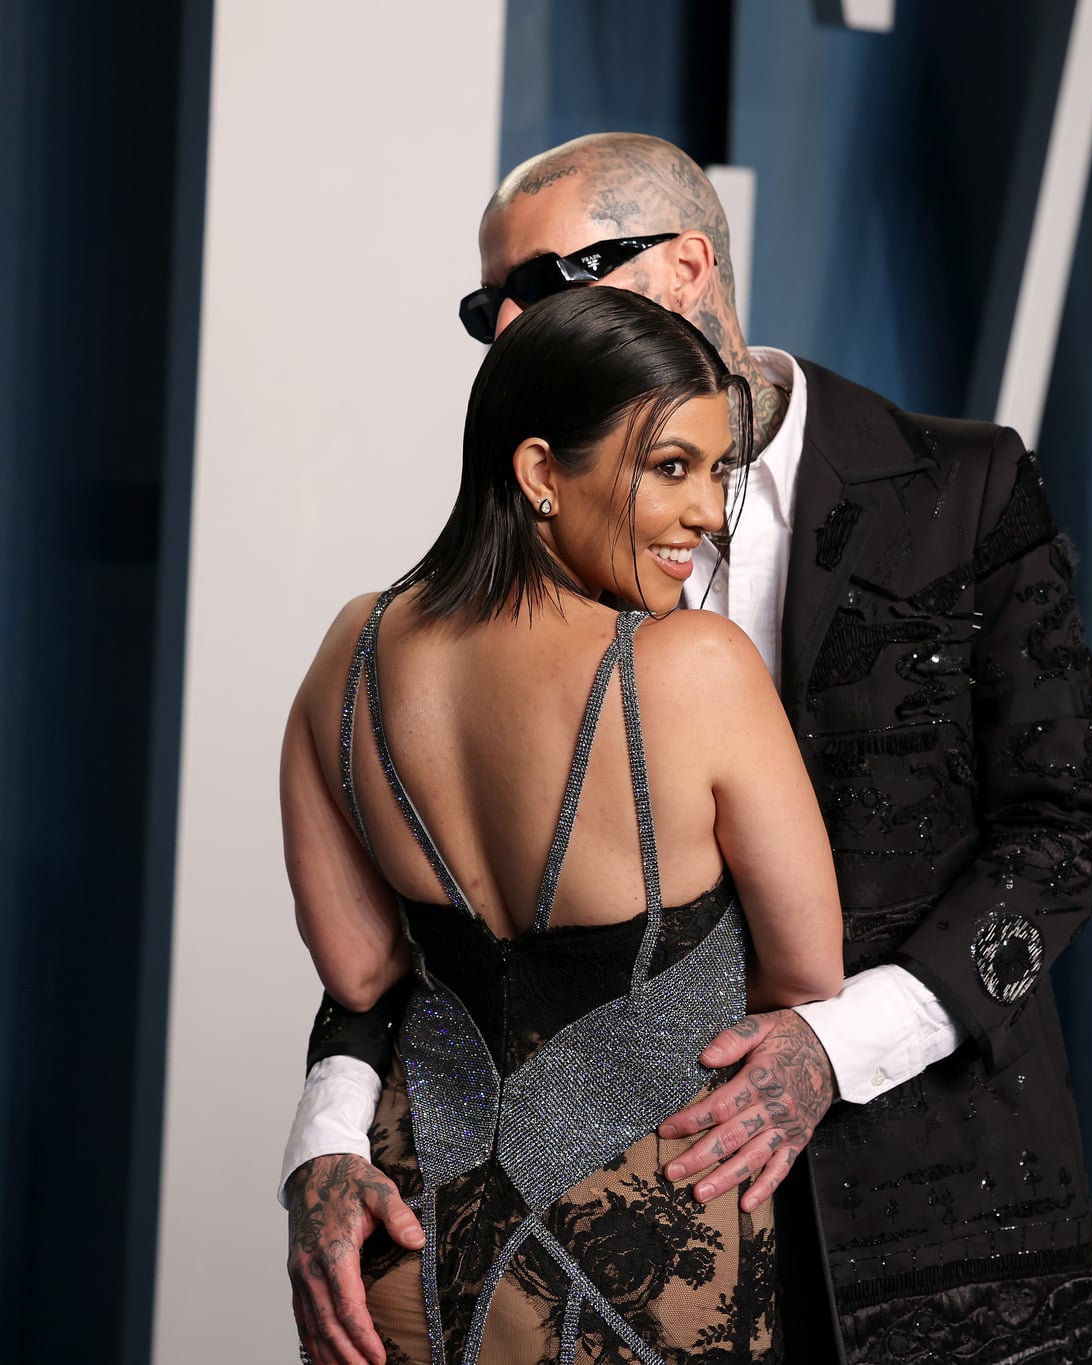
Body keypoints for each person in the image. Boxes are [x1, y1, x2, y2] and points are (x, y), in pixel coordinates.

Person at [285, 133, 1092, 1364]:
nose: (513, 327)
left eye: (545, 281)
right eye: (490, 307)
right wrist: (329, 1133)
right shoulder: (535, 521)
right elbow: (434, 925)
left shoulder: (961, 486)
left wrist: (838, 1046)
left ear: (687, 266)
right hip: (617, 1237)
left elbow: (1064, 831)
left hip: (933, 1211)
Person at [283, 287, 844, 1364]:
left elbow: (359, 974)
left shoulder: (350, 652)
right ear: (540, 472)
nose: (710, 515)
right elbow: (805, 971)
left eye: (718, 472)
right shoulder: (694, 670)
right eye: (670, 467)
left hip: (407, 1246)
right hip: (646, 1251)